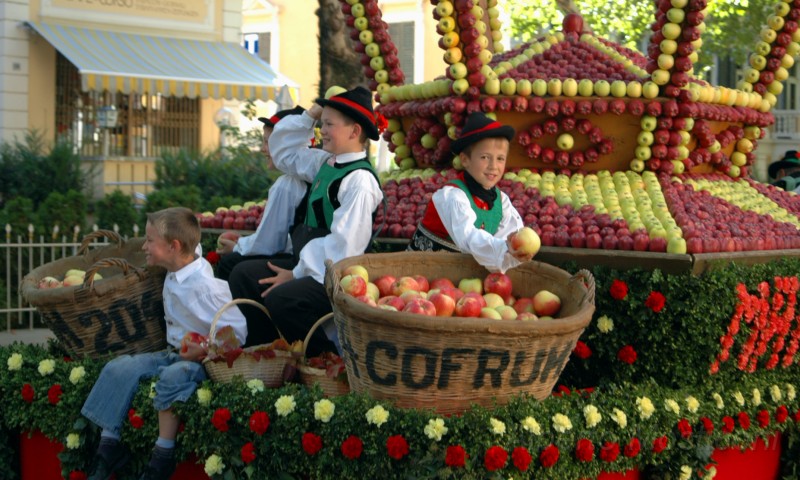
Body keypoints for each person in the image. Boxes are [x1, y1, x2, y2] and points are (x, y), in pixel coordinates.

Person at [82, 207, 247, 480]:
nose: (144, 246)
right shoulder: (180, 263)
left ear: (173, 246)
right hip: (171, 352)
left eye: (149, 241)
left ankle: (163, 456)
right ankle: (108, 447)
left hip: (200, 361)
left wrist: (205, 347)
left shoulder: (204, 286)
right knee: (118, 367)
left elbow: (238, 332)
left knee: (174, 376)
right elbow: (193, 253)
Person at [228, 85, 384, 356]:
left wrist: (295, 273)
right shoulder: (324, 163)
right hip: (308, 264)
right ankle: (266, 352)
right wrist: (310, 115)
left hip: (334, 273)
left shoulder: (360, 181)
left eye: (328, 124)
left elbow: (344, 247)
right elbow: (284, 152)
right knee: (243, 275)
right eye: (321, 123)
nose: (321, 130)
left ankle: (327, 362)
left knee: (283, 299)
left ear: (354, 131)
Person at [408, 112, 534, 272]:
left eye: (500, 159)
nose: (493, 166)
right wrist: (504, 247)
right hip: (423, 276)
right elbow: (468, 238)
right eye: (485, 157)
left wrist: (515, 249)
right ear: (465, 160)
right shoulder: (452, 196)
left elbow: (508, 236)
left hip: (460, 281)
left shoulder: (500, 201)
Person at [215, 106, 308, 280]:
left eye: (269, 142)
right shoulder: (313, 176)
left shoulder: (286, 185)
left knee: (231, 264)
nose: (263, 149)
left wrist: (236, 247)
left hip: (298, 263)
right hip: (308, 259)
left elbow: (268, 243)